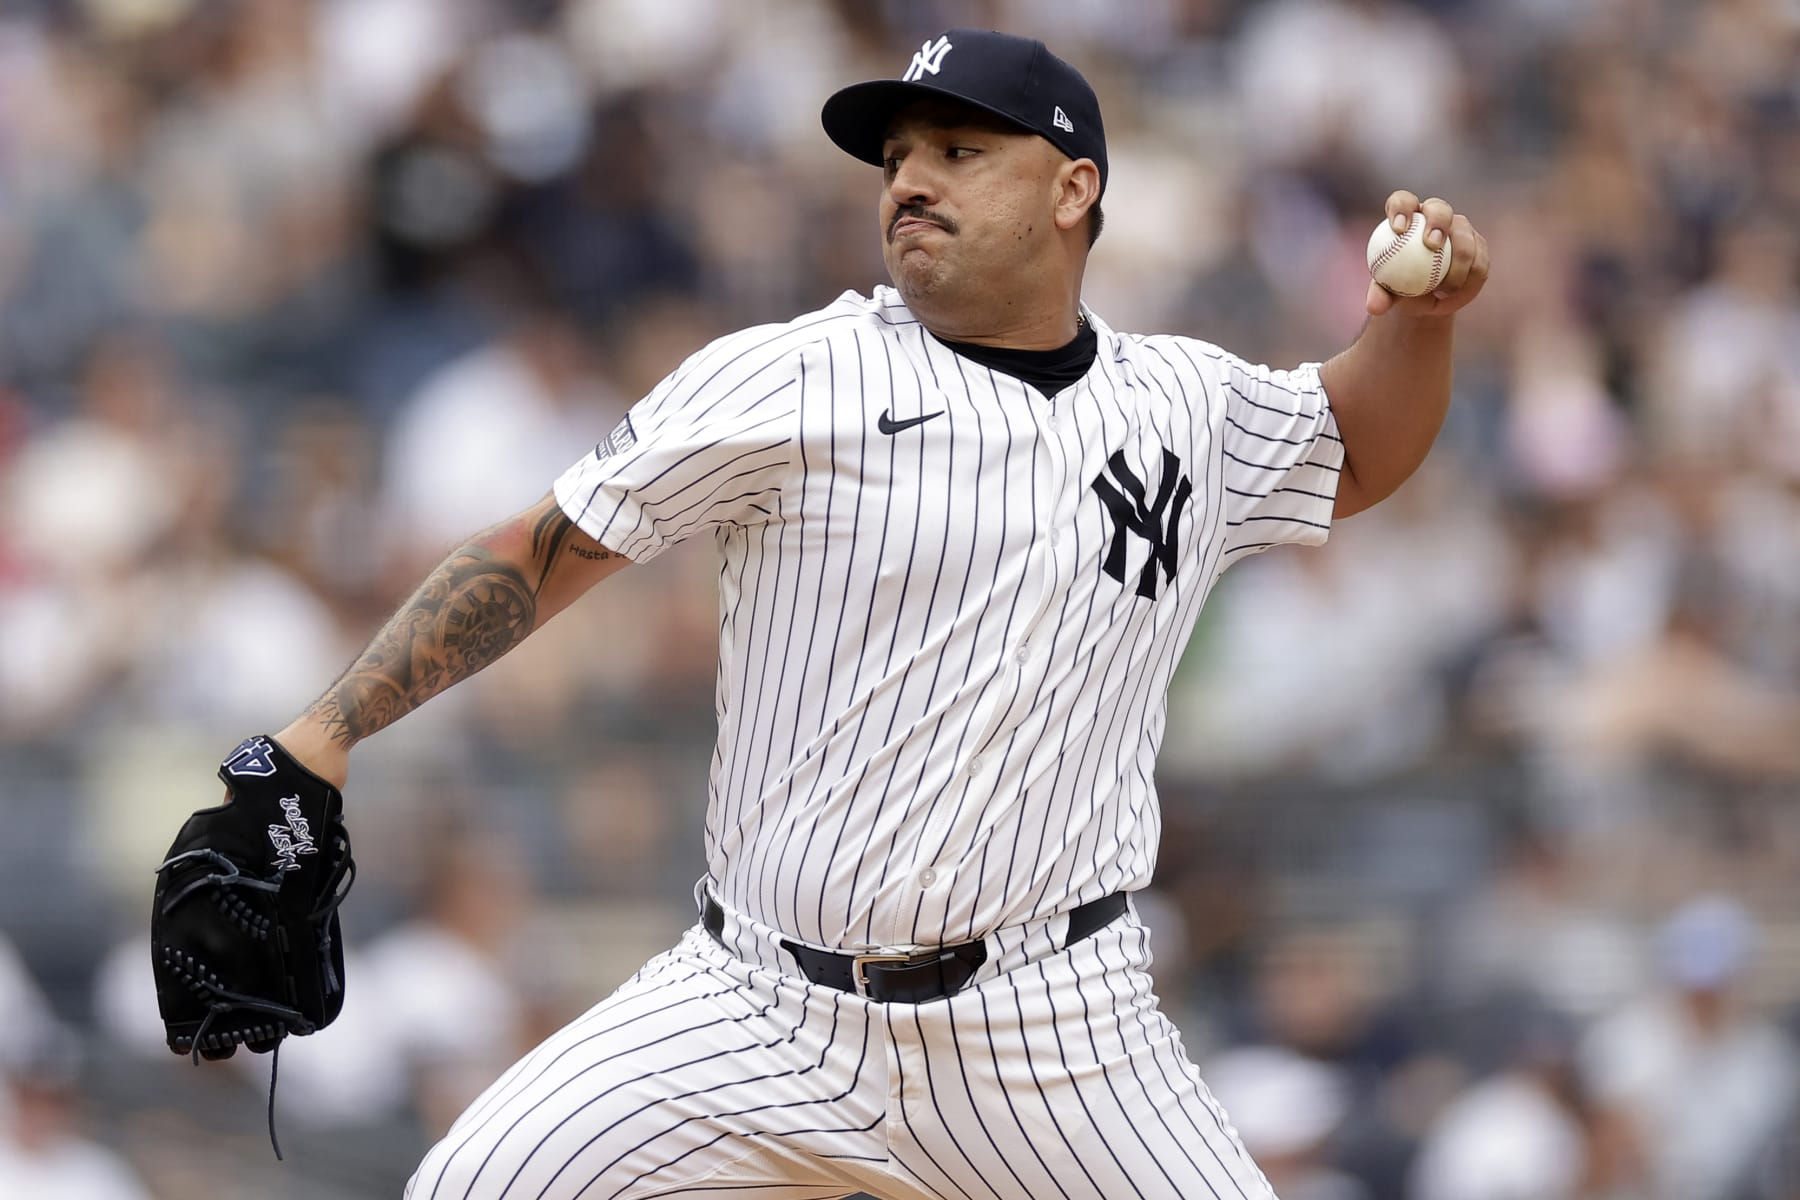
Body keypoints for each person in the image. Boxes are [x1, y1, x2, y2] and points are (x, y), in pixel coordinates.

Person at [250, 28, 1487, 1199]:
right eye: (896, 158)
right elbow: (534, 557)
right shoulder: (796, 374)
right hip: (754, 1007)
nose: (909, 182)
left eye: (959, 151)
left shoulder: (1188, 407)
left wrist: (1419, 328)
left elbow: (1356, 449)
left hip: (1055, 1031)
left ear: (1072, 191)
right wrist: (327, 730)